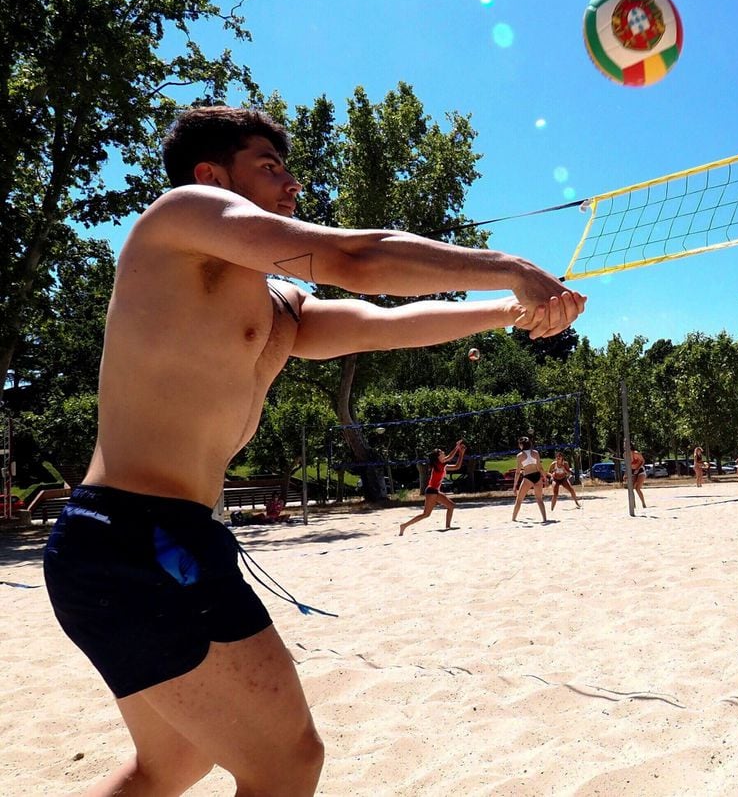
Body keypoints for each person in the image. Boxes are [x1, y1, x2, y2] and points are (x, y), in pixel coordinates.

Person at [41, 106, 585, 795]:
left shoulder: (275, 306)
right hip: (136, 538)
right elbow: (353, 259)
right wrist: (507, 267)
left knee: (170, 766)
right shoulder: (181, 215)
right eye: (269, 167)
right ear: (212, 175)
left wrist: (512, 310)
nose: (291, 183)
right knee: (288, 763)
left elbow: (385, 325)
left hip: (136, 543)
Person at [398, 439, 465, 535]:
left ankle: (448, 526)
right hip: (431, 491)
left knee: (451, 506)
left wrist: (461, 453)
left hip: (435, 491)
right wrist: (457, 447)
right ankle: (404, 525)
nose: (443, 452)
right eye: (441, 452)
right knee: (426, 514)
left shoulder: (443, 466)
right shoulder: (438, 464)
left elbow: (457, 466)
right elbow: (450, 457)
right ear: (438, 457)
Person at [511, 437, 549, 523]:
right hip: (537, 476)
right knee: (539, 499)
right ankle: (544, 518)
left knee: (519, 499)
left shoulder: (520, 456)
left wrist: (514, 486)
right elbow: (540, 468)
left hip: (528, 477)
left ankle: (513, 518)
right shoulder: (535, 453)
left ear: (521, 445)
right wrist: (545, 479)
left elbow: (517, 472)